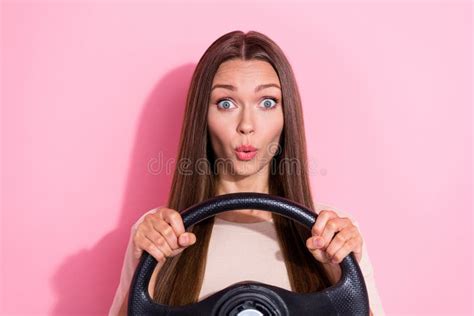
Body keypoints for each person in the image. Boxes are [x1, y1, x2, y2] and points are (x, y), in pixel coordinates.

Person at [109, 30, 384, 315]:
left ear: (286, 116)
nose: (247, 125)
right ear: (201, 116)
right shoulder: (160, 232)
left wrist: (335, 271)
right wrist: (151, 267)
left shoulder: (331, 231)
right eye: (226, 103)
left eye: (267, 102)